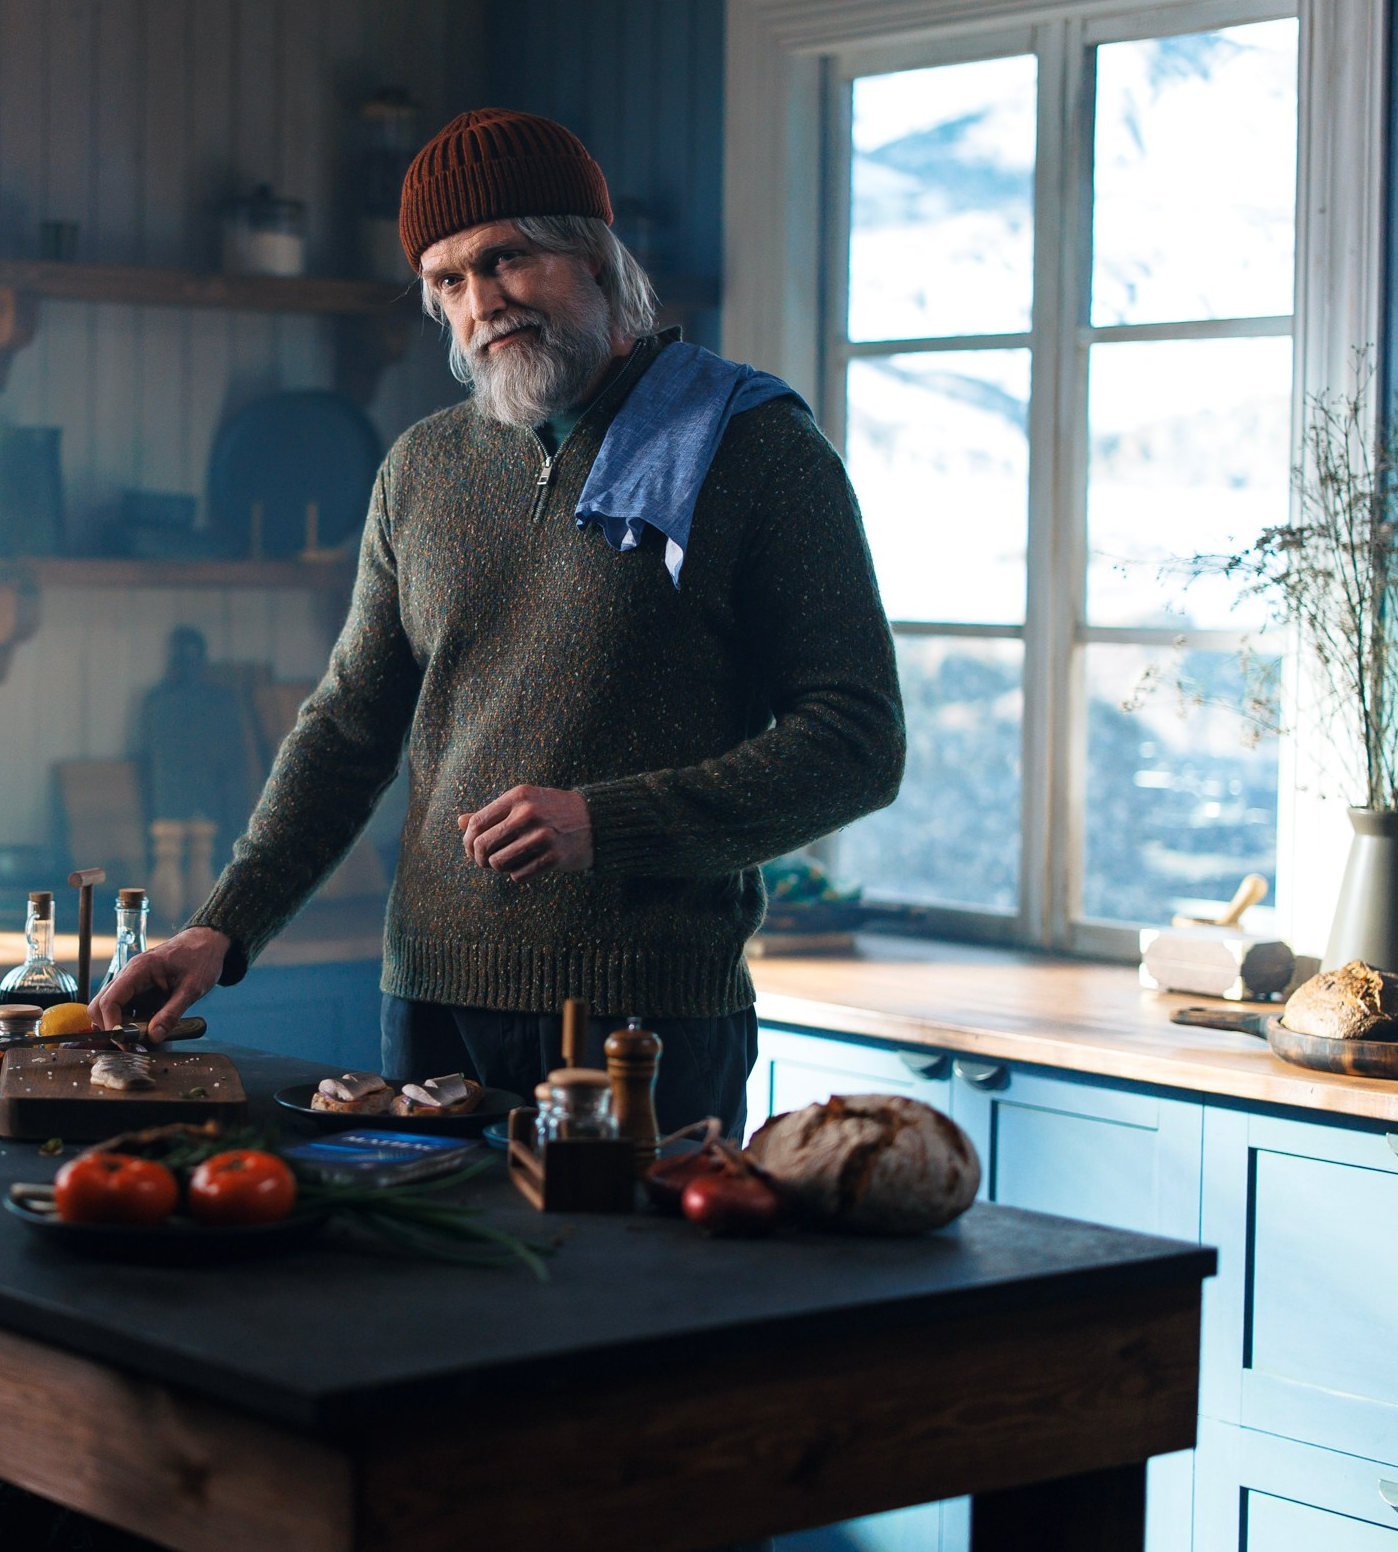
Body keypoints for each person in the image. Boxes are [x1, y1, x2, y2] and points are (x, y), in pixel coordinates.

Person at [92, 108, 904, 1133]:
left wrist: (604, 822)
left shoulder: (754, 448)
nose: (483, 303)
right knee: (432, 1292)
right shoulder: (422, 468)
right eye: (447, 280)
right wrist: (220, 927)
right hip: (428, 999)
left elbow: (859, 742)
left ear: (595, 255)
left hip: (643, 1018)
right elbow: (346, 730)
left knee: (627, 1296)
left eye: (508, 258)